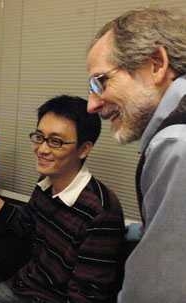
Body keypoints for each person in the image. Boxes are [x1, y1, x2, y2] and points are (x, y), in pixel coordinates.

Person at [0, 95, 125, 303]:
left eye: (56, 141)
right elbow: (25, 225)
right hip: (25, 285)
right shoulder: (46, 181)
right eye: (39, 137)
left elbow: (85, 297)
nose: (42, 149)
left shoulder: (101, 212)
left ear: (84, 149)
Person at [86, 7, 186, 303]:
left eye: (99, 82)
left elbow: (158, 292)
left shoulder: (175, 144)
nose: (92, 105)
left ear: (156, 64)